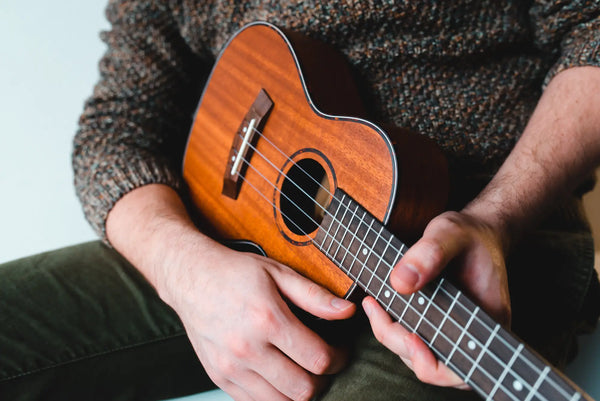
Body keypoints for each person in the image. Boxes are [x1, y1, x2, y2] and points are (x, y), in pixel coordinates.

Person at [1, 1, 599, 400]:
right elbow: (116, 130)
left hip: (480, 250)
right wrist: (186, 272)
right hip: (232, 230)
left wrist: (495, 217)